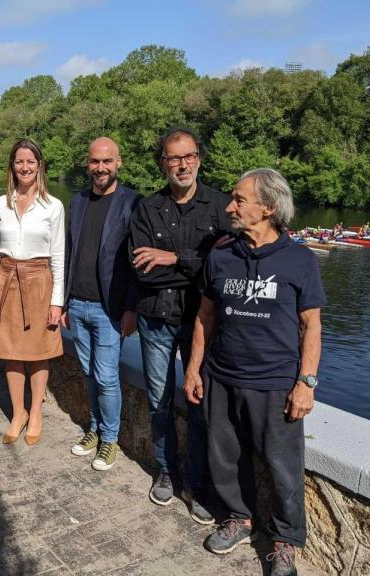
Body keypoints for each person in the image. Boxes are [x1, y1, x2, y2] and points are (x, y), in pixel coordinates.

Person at [184, 168, 324, 576]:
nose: (230, 206)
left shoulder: (299, 260)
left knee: (282, 467)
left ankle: (285, 541)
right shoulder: (222, 255)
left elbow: (311, 325)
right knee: (224, 457)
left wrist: (306, 382)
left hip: (275, 382)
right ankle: (238, 519)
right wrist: (194, 370)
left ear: (267, 207)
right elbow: (204, 317)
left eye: (239, 200)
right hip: (222, 376)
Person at [129, 126, 229, 524]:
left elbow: (225, 273)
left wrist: (172, 259)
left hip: (202, 324)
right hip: (155, 319)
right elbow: (142, 271)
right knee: (159, 401)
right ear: (163, 163)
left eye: (188, 156)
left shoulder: (222, 207)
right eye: (173, 158)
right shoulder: (147, 208)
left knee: (200, 403)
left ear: (199, 159)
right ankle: (167, 471)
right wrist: (198, 265)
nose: (182, 164)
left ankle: (198, 484)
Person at [61, 137, 140, 471]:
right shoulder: (78, 201)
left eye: (107, 161)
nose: (101, 168)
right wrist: (63, 302)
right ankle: (94, 429)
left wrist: (131, 308)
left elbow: (137, 262)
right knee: (90, 373)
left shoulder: (133, 203)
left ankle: (110, 439)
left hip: (110, 308)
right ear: (88, 163)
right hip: (77, 304)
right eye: (95, 161)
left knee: (107, 377)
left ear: (118, 163)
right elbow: (67, 253)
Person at [0, 139, 65, 446]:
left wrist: (57, 301)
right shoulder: (1, 203)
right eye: (19, 161)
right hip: (4, 279)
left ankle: (36, 413)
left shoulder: (53, 206)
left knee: (38, 352)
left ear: (39, 166)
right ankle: (18, 413)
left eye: (31, 161)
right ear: (12, 166)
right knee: (10, 352)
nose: (25, 167)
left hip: (38, 281)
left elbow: (58, 257)